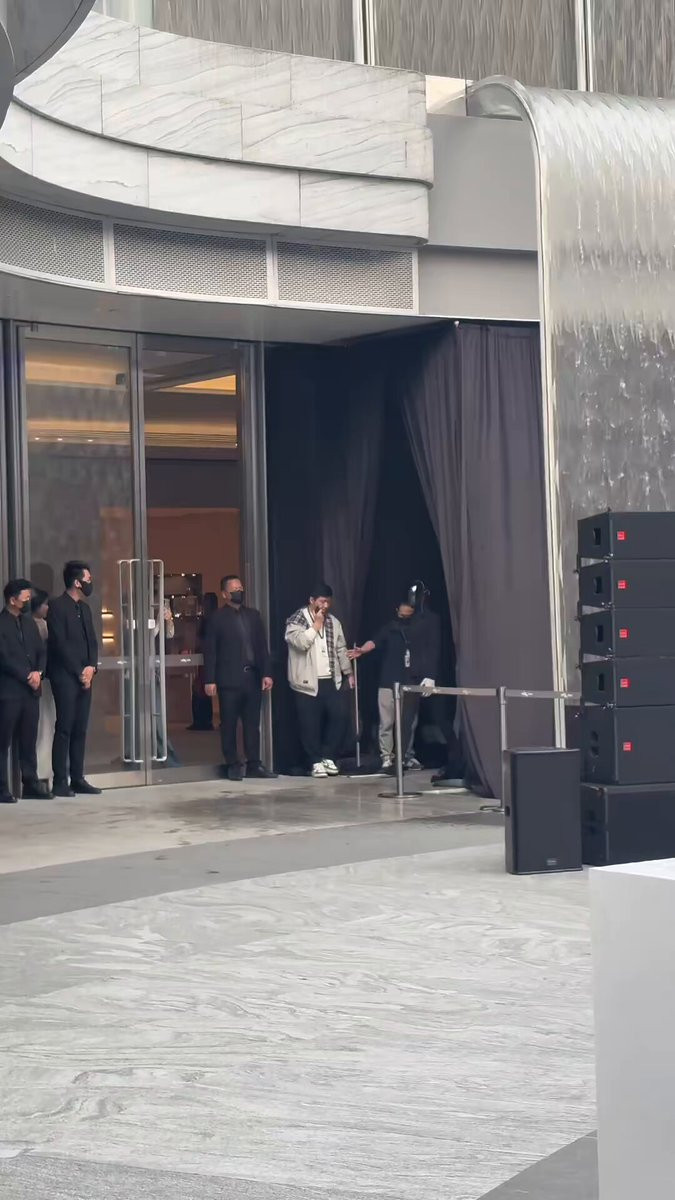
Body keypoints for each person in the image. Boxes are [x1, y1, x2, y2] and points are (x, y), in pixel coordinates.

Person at [352, 589, 439, 772]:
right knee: (387, 722)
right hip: (387, 681)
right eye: (403, 608)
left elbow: (430, 649)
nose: (406, 611)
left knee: (408, 722)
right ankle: (386, 757)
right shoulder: (390, 628)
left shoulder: (419, 628)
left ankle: (406, 755)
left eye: (409, 608)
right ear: (397, 609)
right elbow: (374, 641)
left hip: (409, 681)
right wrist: (362, 650)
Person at [203, 575, 276, 782]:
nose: (239, 591)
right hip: (228, 680)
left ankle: (254, 764)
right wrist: (209, 679)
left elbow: (262, 647)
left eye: (240, 588)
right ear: (224, 594)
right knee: (229, 724)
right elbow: (211, 651)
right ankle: (233, 764)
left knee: (252, 724)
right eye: (234, 589)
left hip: (252, 677)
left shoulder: (253, 615)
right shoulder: (216, 618)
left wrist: (267, 673)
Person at [285, 582, 354, 778]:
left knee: (340, 716)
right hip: (306, 682)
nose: (325, 606)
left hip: (331, 679)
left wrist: (348, 673)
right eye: (322, 601)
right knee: (310, 724)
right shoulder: (297, 619)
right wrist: (315, 625)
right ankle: (314, 761)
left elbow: (340, 648)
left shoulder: (334, 622)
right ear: (312, 600)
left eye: (328, 602)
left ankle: (328, 756)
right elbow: (300, 643)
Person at [47, 560, 101, 797]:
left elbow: (93, 641)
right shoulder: (57, 606)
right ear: (77, 582)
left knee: (80, 728)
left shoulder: (85, 608)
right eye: (88, 579)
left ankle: (78, 778)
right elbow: (59, 644)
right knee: (65, 728)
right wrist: (80, 671)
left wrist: (91, 668)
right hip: (65, 677)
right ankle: (60, 781)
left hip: (85, 677)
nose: (90, 583)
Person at [0, 578, 47, 803]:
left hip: (31, 692)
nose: (29, 600)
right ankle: (2, 788)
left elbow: (40, 650)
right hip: (9, 692)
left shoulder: (29, 623)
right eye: (25, 597)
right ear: (13, 600)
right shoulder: (1, 623)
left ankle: (30, 783)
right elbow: (4, 657)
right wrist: (26, 676)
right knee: (3, 741)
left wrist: (38, 672)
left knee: (29, 739)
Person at [31, 589, 56, 793]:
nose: (47, 608)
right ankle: (43, 773)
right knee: (45, 728)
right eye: (45, 604)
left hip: (40, 681)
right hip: (42, 682)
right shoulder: (40, 626)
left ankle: (43, 773)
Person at [189, 591, 219, 731]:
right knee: (201, 688)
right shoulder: (210, 618)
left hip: (206, 658)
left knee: (201, 688)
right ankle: (202, 720)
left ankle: (202, 721)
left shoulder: (210, 620)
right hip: (204, 657)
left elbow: (205, 640)